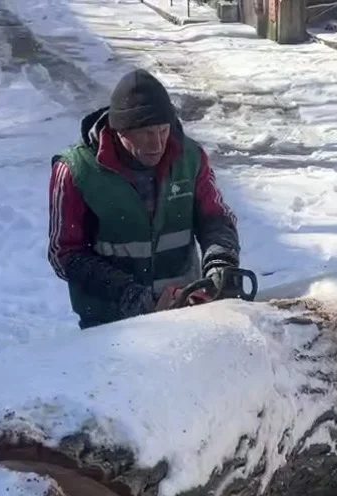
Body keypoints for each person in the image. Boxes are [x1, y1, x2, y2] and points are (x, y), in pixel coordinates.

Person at [46, 69, 243, 329]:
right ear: (120, 131)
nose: (157, 144)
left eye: (163, 131)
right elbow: (65, 254)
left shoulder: (190, 158)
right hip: (108, 322)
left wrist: (221, 261)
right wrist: (128, 294)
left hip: (187, 311)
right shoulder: (76, 171)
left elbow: (215, 219)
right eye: (146, 134)